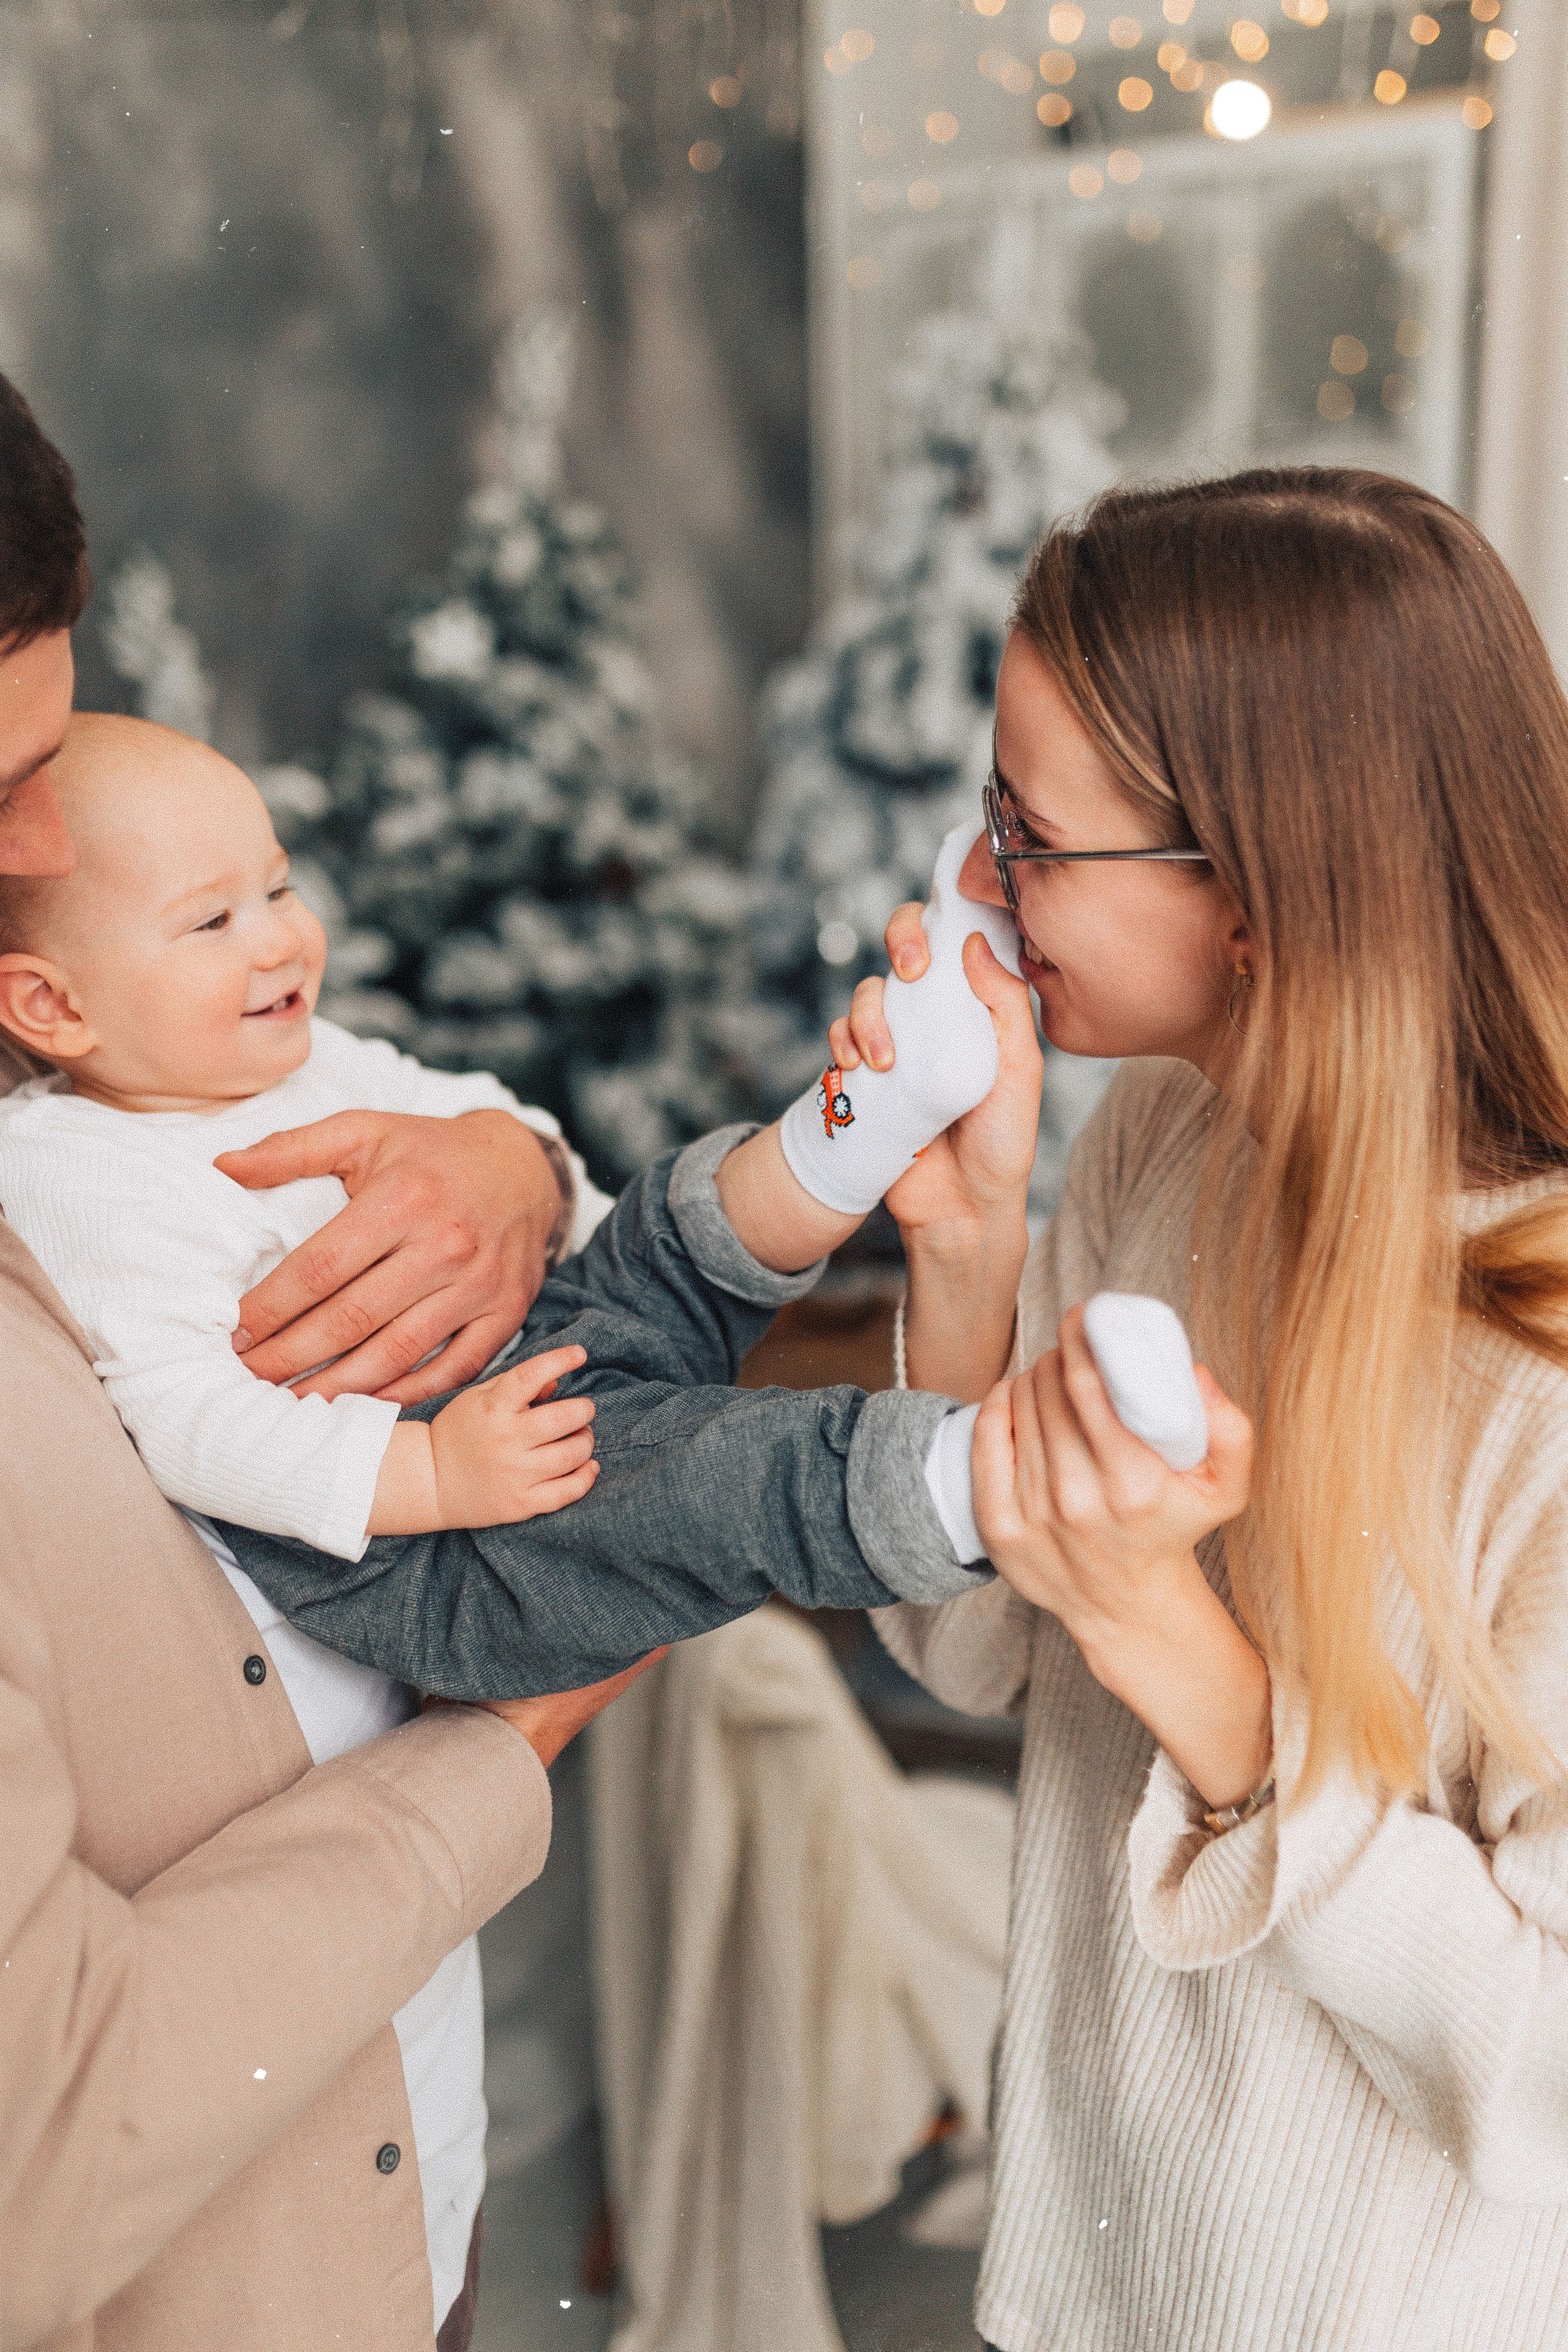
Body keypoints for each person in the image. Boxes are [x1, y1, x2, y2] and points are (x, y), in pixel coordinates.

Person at [833, 468, 1568, 2351]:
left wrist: (1182, 1649)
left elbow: (1547, 2085)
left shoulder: (1544, 1377)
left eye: (1030, 836)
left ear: (1250, 892)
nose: (973, 882)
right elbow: (970, 1648)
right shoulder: (1167, 1143)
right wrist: (967, 1245)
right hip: (1069, 2280)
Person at [0, 374, 661, 2352]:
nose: (29, 833)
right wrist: (506, 1739)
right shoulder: (65, 1154)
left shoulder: (162, 1041)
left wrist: (503, 1176)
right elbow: (50, 2140)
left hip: (394, 2189)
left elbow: (458, 1116)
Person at [0, 712, 1006, 1701]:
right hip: (437, 1547)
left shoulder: (305, 1055)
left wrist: (527, 1174)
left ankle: (854, 1127)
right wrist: (433, 1471)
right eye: (213, 922)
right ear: (54, 1005)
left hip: (535, 1346)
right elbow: (189, 1422)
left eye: (279, 889)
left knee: (668, 1222)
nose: (281, 941)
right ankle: (964, 1481)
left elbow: (488, 1118)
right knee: (703, 1477)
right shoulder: (73, 1171)